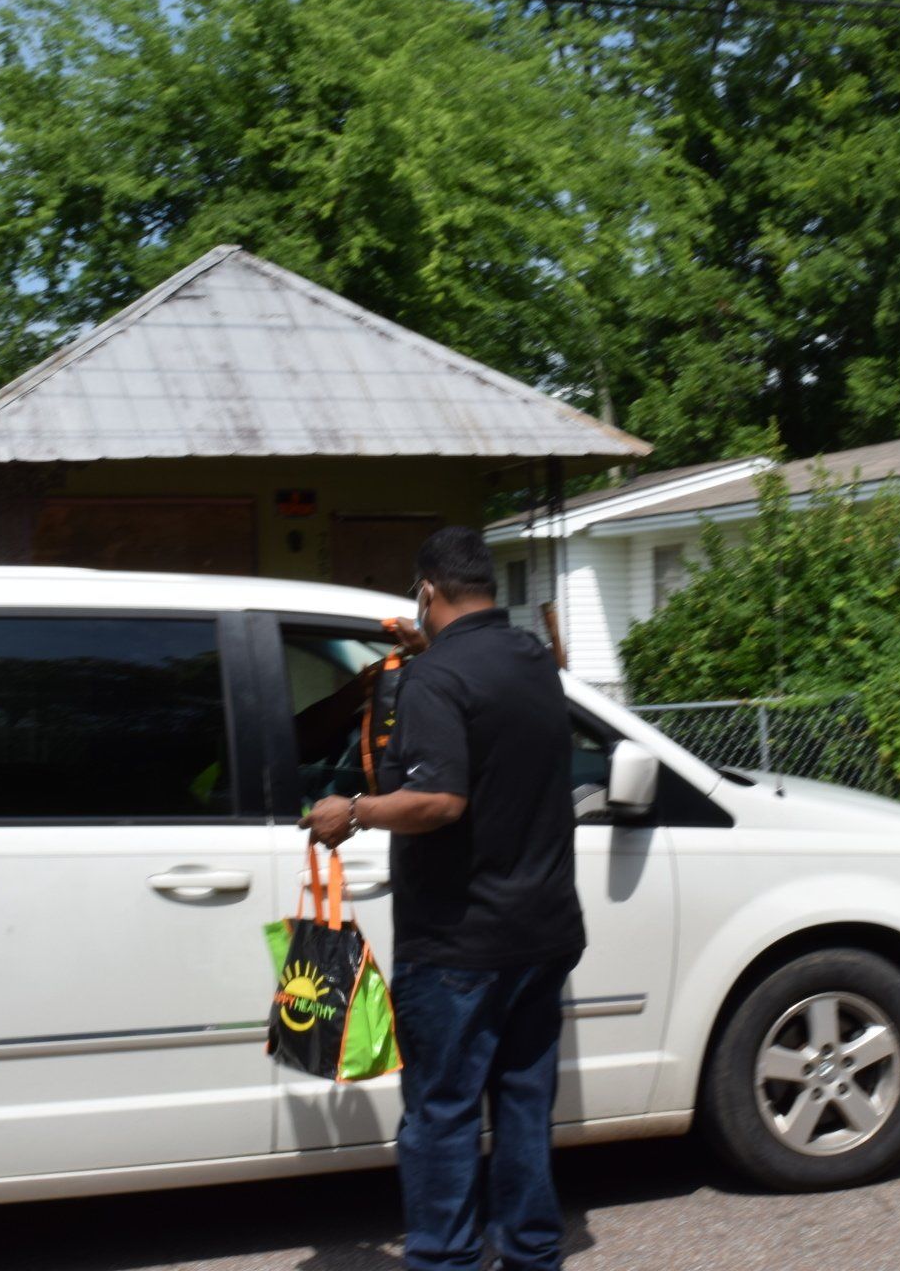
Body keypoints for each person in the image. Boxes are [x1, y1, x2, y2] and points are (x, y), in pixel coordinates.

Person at [300, 526, 586, 1271]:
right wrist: (429, 646)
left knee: (443, 1114)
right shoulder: (532, 658)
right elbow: (484, 701)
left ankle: (445, 1259)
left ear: (427, 590)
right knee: (524, 1106)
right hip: (543, 934)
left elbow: (439, 800)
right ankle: (532, 1254)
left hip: (460, 946)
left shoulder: (433, 682)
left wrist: (353, 810)